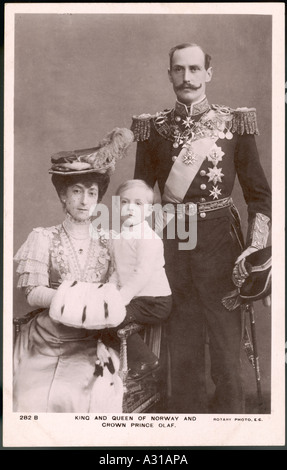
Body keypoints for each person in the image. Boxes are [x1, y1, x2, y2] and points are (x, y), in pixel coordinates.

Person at [131, 43, 271, 413]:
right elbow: (139, 201)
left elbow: (259, 195)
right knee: (184, 351)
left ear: (209, 73)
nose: (187, 78)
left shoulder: (234, 124)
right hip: (173, 247)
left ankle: (236, 430)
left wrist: (256, 249)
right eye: (179, 70)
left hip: (223, 249)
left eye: (195, 69)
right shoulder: (153, 130)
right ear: (170, 75)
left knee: (227, 353)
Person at [13, 127, 134, 413]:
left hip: (90, 343)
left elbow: (119, 291)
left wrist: (95, 308)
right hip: (44, 340)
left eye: (91, 193)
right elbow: (33, 293)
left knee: (85, 395)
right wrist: (79, 300)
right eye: (76, 192)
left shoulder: (110, 242)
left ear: (98, 198)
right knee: (29, 396)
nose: (84, 201)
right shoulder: (42, 237)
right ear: (63, 196)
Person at [107, 179, 172, 380]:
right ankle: (128, 360)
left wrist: (119, 299)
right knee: (100, 317)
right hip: (136, 297)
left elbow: (141, 274)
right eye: (124, 202)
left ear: (149, 211)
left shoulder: (148, 238)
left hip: (155, 301)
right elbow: (118, 271)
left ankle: (147, 360)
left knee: (111, 317)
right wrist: (108, 292)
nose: (130, 208)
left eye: (138, 204)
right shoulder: (119, 237)